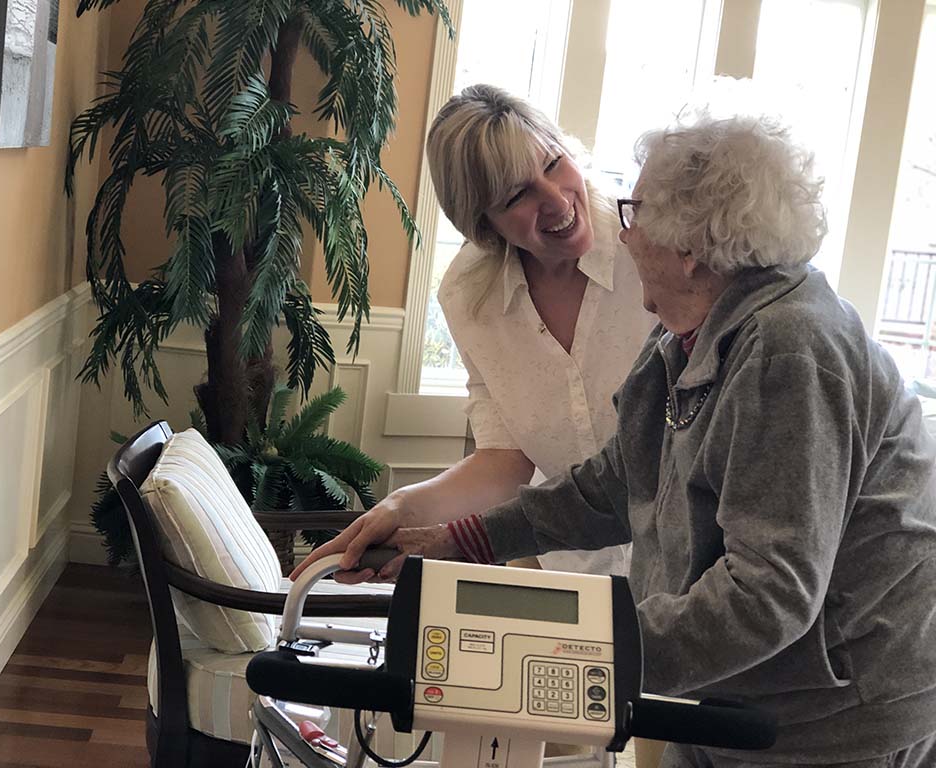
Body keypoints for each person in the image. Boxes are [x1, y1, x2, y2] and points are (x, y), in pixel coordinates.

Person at [303, 113, 936, 767]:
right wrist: (458, 541)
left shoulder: (788, 350)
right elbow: (617, 482)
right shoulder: (689, 332)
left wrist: (577, 649)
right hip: (745, 702)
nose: (623, 234)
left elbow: (767, 593)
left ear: (689, 249)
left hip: (834, 721)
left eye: (635, 214)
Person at [294, 84, 652, 582]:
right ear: (483, 224)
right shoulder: (468, 294)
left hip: (692, 572)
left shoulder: (651, 241)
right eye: (517, 195)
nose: (555, 200)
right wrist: (400, 509)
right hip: (573, 573)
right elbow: (505, 461)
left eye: (553, 163)